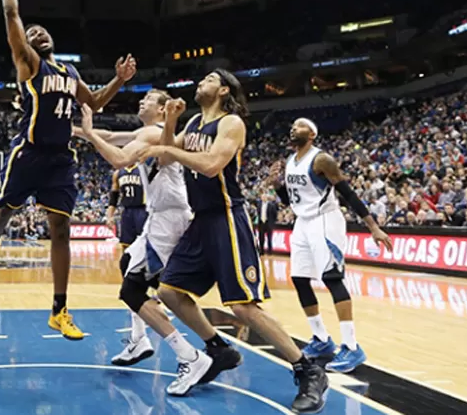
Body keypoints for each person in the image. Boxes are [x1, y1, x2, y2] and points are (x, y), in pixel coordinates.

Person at [140, 70, 329, 414]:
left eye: (209, 79)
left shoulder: (231, 124)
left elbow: (212, 165)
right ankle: (218, 347)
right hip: (201, 220)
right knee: (169, 292)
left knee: (242, 307)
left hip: (227, 218)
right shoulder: (195, 121)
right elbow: (164, 157)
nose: (200, 82)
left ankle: (307, 369)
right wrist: (170, 122)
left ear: (224, 89)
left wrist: (171, 145)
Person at [0, 0, 137, 340]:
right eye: (32, 33)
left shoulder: (70, 72)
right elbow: (12, 12)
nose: (38, 34)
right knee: (5, 208)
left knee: (60, 230)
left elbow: (93, 102)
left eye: (42, 30)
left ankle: (59, 310)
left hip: (60, 159)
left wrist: (119, 80)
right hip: (28, 153)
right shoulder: (29, 64)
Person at [77, 91, 242, 396]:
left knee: (132, 290)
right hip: (161, 215)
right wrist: (72, 130)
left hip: (169, 219)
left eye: (149, 99)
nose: (141, 101)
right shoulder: (148, 130)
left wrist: (86, 133)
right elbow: (112, 135)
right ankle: (141, 339)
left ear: (162, 110)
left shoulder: (154, 133)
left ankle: (189, 357)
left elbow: (119, 158)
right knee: (128, 264)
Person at [267, 118, 393, 373]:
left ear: (312, 134)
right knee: (300, 279)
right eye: (291, 125)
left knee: (332, 278)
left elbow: (347, 193)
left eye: (300, 126)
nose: (293, 128)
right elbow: (293, 202)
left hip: (326, 220)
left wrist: (373, 227)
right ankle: (322, 340)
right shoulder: (291, 162)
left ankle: (352, 346)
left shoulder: (321, 159)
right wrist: (278, 186)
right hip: (302, 222)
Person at [104, 164, 147, 250]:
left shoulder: (143, 169)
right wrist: (109, 216)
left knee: (145, 243)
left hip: (142, 209)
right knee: (126, 245)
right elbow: (113, 198)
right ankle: (127, 263)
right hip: (127, 211)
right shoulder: (118, 173)